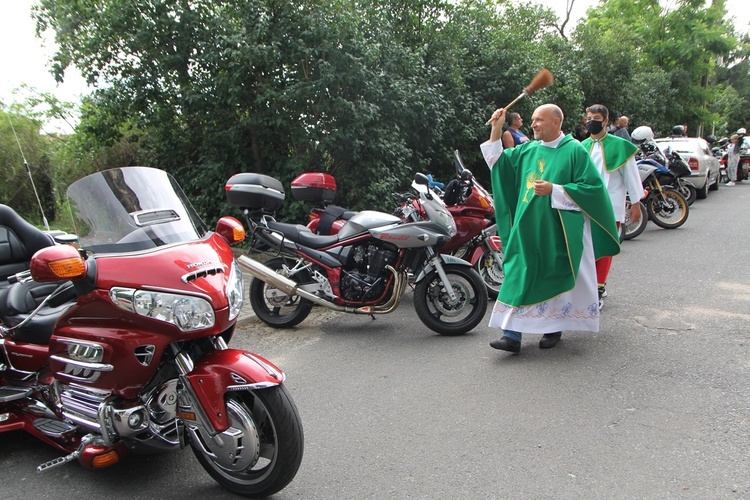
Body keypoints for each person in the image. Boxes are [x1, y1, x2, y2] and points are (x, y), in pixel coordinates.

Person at [481, 104, 620, 353]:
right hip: (526, 228)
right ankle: (511, 335)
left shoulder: (574, 151)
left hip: (558, 230)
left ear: (556, 123)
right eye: (533, 120)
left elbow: (592, 189)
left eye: (539, 120)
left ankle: (552, 328)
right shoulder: (527, 150)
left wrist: (555, 190)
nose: (533, 124)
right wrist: (496, 128)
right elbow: (498, 164)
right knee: (518, 274)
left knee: (553, 277)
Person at [580, 105, 645, 309]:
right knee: (587, 249)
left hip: (610, 205)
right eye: (589, 117)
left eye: (596, 117)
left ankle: (598, 290)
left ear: (606, 121)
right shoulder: (580, 147)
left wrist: (636, 204)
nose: (592, 121)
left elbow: (632, 176)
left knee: (605, 247)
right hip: (586, 206)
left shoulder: (620, 146)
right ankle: (591, 286)